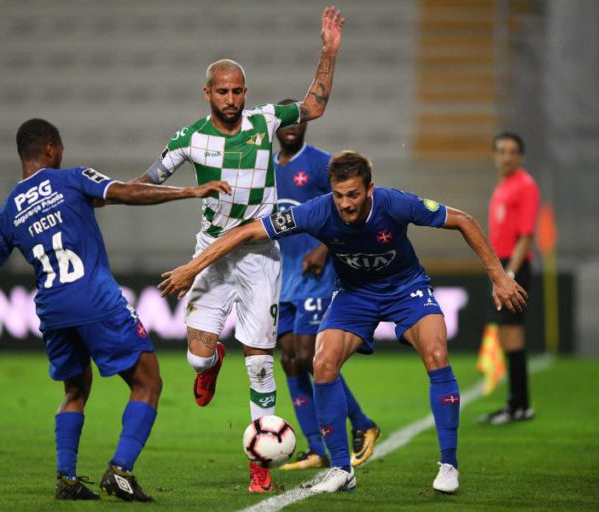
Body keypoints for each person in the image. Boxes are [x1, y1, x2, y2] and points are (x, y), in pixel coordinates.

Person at [159, 150, 527, 495]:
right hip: (354, 295)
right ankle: (341, 469)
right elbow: (247, 232)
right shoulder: (318, 211)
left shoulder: (396, 203)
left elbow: (463, 220)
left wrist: (499, 277)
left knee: (435, 353)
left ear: (369, 188)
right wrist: (192, 268)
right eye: (339, 196)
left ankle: (448, 464)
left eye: (353, 194)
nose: (346, 204)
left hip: (406, 289)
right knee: (322, 362)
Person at [0, 118, 230, 502]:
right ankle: (120, 470)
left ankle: (67, 479)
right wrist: (191, 190)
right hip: (95, 299)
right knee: (148, 382)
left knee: (75, 388)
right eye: (62, 147)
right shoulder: (71, 178)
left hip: (52, 309)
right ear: (51, 149)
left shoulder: (7, 212)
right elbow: (128, 193)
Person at [132, 6, 345, 493]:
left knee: (261, 358)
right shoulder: (190, 139)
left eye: (236, 90)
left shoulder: (265, 121)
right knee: (197, 356)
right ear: (207, 93)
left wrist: (329, 52)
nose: (230, 98)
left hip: (258, 254)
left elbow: (314, 105)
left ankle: (259, 464)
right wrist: (105, 194)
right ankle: (210, 365)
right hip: (211, 249)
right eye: (221, 91)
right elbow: (148, 182)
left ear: (245, 93)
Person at [271, 100, 379, 471]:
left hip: (315, 275)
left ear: (305, 126)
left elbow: (347, 209)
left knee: (312, 358)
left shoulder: (319, 163)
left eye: (298, 120)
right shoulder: (267, 168)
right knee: (289, 361)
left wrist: (323, 247)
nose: (291, 127)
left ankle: (362, 424)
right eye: (285, 121)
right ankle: (316, 449)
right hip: (279, 277)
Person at [480, 132, 540, 425]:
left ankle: (519, 405)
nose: (507, 156)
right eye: (502, 150)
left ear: (521, 156)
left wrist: (510, 275)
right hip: (501, 266)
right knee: (506, 335)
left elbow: (526, 236)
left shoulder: (525, 185)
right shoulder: (505, 185)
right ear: (495, 155)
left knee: (512, 333)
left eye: (513, 151)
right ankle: (516, 403)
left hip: (512, 267)